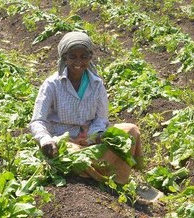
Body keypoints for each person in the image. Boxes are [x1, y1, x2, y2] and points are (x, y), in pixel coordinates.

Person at [30, 31, 146, 186]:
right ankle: (104, 175)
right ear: (64, 58)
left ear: (90, 57)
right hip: (63, 142)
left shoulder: (97, 84)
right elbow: (38, 120)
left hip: (91, 142)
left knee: (130, 130)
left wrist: (94, 136)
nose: (79, 62)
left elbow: (101, 119)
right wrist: (45, 140)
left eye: (84, 56)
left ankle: (99, 172)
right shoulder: (52, 84)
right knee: (72, 154)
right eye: (73, 57)